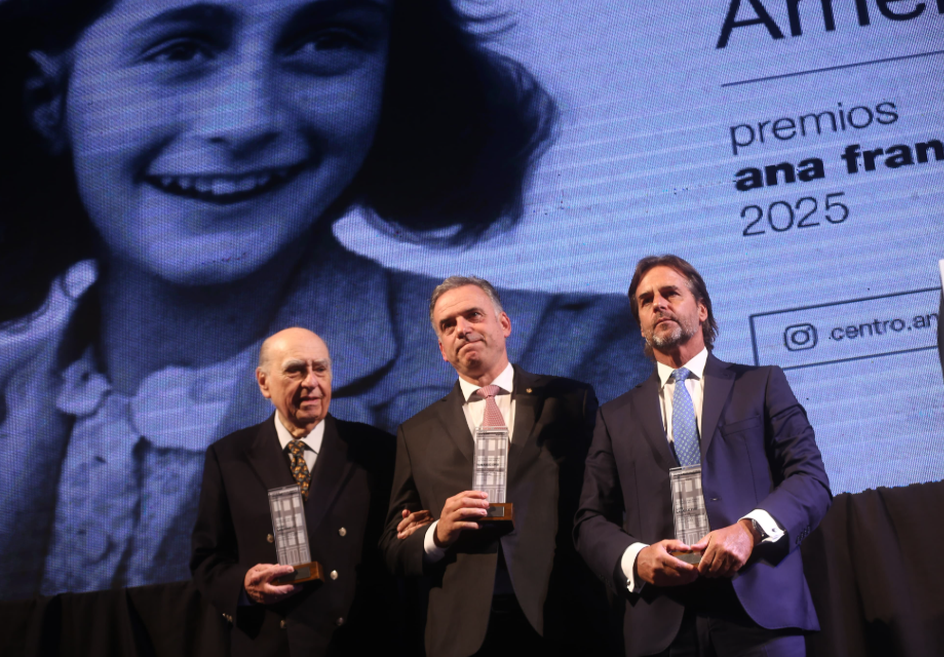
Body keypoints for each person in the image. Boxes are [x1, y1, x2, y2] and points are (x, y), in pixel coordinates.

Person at [0, 0, 645, 598]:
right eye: (182, 49)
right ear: (47, 97)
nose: (248, 120)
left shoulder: (569, 368)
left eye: (326, 40)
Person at [574, 255, 832, 657]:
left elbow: (810, 479)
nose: (658, 303)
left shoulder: (759, 385)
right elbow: (589, 520)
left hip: (758, 614)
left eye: (670, 293)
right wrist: (636, 558)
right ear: (640, 324)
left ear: (702, 308)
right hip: (662, 625)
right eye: (646, 301)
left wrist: (749, 531)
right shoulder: (614, 416)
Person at [380, 277, 616, 657]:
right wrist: (437, 533)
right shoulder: (415, 433)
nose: (463, 329)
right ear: (441, 348)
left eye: (473, 314)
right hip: (465, 632)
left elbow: (605, 502)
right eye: (448, 325)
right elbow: (394, 546)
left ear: (503, 324)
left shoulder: (571, 401)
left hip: (564, 616)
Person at [190, 327, 421, 656]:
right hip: (272, 643)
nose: (311, 382)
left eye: (320, 369)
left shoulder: (377, 450)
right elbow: (207, 560)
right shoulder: (229, 457)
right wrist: (243, 586)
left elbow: (398, 545)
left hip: (361, 640)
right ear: (263, 382)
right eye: (295, 370)